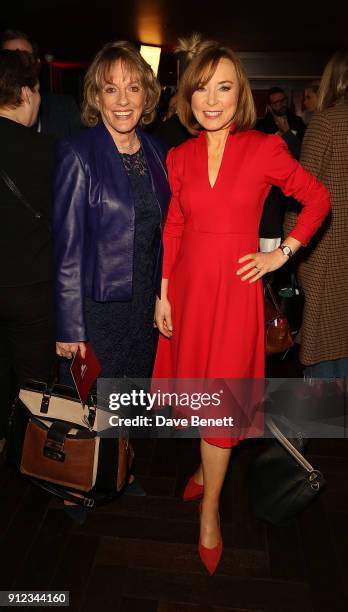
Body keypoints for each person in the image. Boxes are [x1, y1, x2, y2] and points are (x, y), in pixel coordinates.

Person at [152, 40, 331, 575]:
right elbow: (175, 225)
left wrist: (283, 255)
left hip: (233, 296)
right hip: (187, 291)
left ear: (240, 94)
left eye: (223, 87)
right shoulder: (178, 155)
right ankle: (207, 473)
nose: (211, 99)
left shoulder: (264, 148)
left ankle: (211, 511)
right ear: (188, 95)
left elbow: (318, 198)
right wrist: (163, 292)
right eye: (202, 88)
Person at [53, 41, 170, 497]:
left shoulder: (158, 152)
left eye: (133, 87)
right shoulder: (78, 152)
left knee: (128, 396)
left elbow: (167, 231)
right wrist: (69, 325)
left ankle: (118, 470)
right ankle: (74, 485)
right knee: (88, 402)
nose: (123, 100)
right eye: (110, 89)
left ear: (147, 96)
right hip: (95, 308)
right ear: (96, 97)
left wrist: (163, 293)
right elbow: (65, 247)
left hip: (141, 307)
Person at [0, 50, 56, 453]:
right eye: (37, 91)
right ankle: (35, 457)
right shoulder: (48, 152)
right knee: (34, 381)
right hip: (31, 289)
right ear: (25, 92)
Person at [284, 50, 348, 377]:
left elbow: (301, 195)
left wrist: (288, 253)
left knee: (327, 353)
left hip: (328, 252)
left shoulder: (326, 122)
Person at [1, 29, 81, 138]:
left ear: (37, 64)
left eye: (25, 58)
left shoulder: (64, 108)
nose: (18, 65)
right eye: (11, 60)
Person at [256, 86, 307, 252]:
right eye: (276, 102)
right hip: (272, 191)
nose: (280, 105)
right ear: (270, 106)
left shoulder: (298, 122)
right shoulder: (261, 126)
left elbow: (305, 151)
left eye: (282, 101)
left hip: (295, 183)